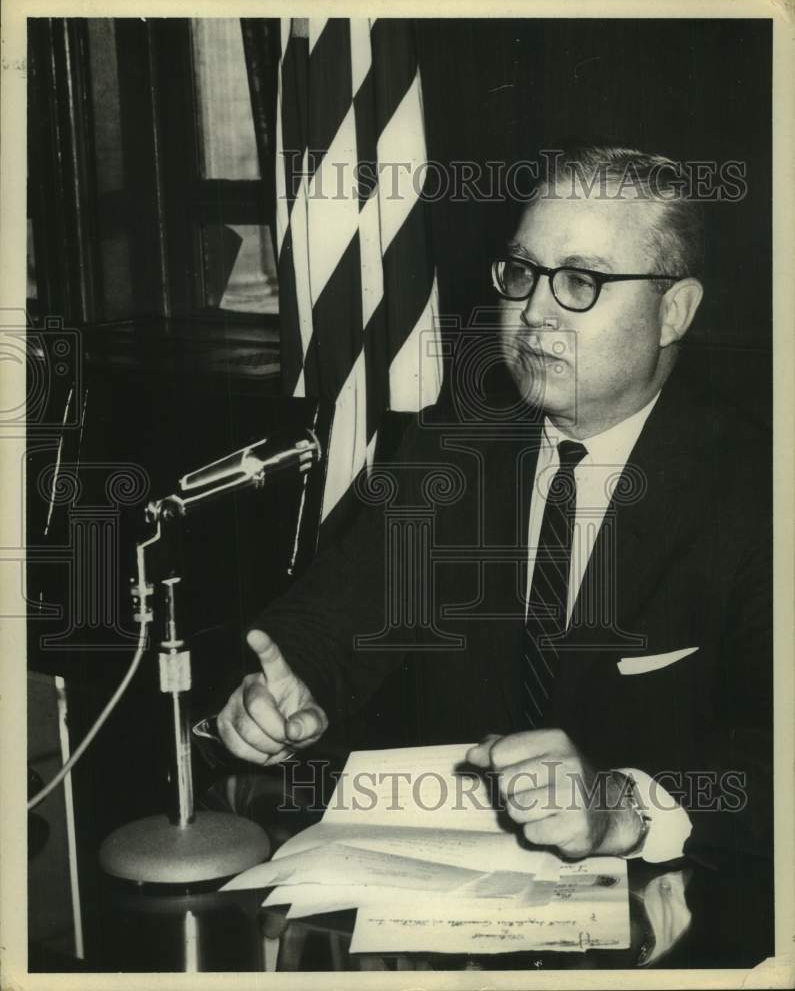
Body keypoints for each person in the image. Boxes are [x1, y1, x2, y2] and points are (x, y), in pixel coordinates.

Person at [214, 146, 772, 868]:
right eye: (522, 272)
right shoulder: (449, 446)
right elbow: (334, 620)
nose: (533, 310)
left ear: (673, 311)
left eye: (579, 280)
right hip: (448, 898)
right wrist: (283, 693)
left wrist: (626, 807)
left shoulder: (756, 488)